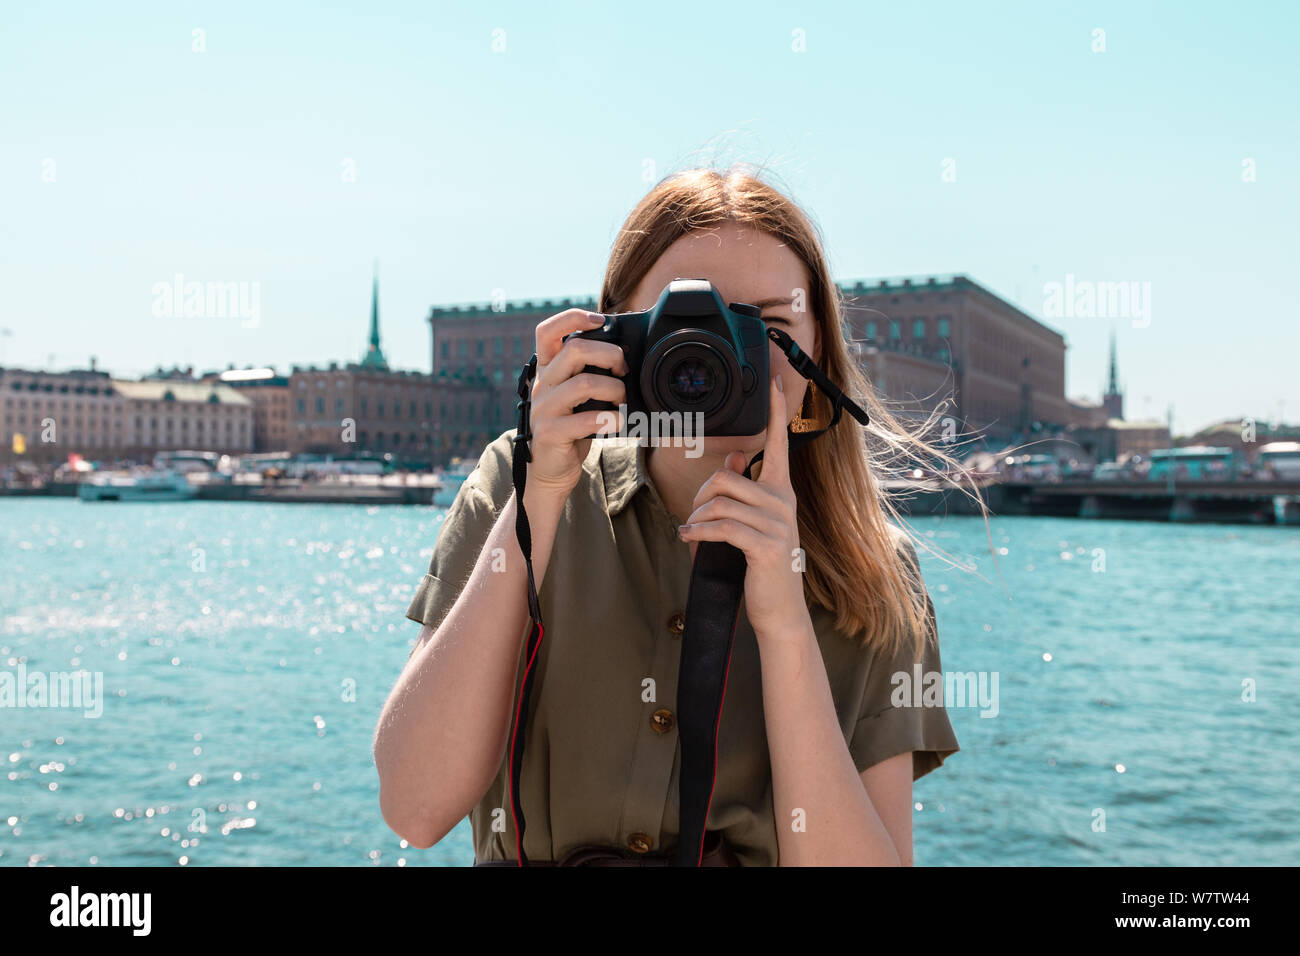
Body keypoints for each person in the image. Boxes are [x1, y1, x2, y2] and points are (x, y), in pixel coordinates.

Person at [374, 166, 967, 866]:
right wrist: (538, 499)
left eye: (767, 327)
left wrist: (784, 625)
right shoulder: (515, 482)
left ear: (816, 355)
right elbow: (415, 809)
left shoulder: (876, 572)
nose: (712, 359)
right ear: (611, 338)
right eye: (686, 326)